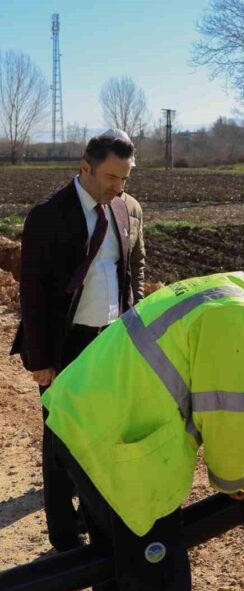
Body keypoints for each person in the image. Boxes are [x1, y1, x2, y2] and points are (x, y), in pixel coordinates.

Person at [42, 267, 244, 591]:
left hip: (81, 416)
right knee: (161, 579)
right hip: (108, 440)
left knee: (115, 561)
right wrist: (234, 481)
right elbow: (226, 414)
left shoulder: (228, 290)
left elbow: (201, 378)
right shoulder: (238, 319)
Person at [10, 129, 145, 551]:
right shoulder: (49, 214)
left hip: (111, 341)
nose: (119, 187)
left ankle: (95, 516)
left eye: (125, 178)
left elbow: (135, 267)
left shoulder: (129, 209)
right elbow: (32, 291)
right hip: (64, 343)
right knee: (60, 438)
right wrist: (41, 359)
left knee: (104, 433)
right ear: (85, 168)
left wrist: (131, 320)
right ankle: (64, 537)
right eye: (111, 178)